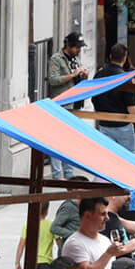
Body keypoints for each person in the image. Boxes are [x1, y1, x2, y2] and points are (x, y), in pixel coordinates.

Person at [45, 32, 90, 179]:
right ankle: (58, 176)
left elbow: (78, 77)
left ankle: (69, 174)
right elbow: (53, 80)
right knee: (57, 141)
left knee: (69, 141)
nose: (79, 50)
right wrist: (72, 75)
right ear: (68, 46)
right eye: (77, 47)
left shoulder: (75, 59)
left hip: (74, 104)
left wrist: (83, 75)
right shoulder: (56, 59)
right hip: (61, 105)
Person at [92, 43, 135, 152]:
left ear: (110, 56)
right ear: (124, 58)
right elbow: (131, 106)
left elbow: (94, 99)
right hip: (123, 125)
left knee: (108, 158)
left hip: (105, 124)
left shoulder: (99, 75)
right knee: (127, 160)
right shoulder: (125, 78)